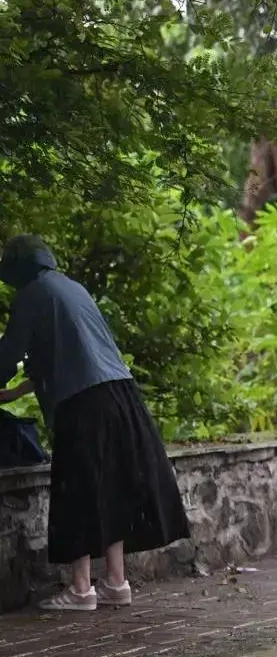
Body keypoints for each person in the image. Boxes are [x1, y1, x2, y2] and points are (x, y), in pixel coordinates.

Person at [0, 235, 191, 611]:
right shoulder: (71, 289)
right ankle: (117, 584)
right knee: (111, 487)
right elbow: (64, 354)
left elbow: (8, 355)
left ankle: (81, 589)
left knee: (79, 489)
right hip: (120, 396)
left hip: (84, 404)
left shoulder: (33, 294)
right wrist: (16, 392)